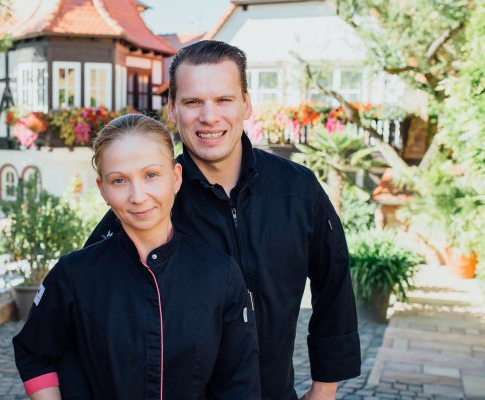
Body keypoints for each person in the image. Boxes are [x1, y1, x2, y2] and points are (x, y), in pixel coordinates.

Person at [80, 41, 361, 399]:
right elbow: (87, 309)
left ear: (246, 104)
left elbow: (334, 283)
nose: (209, 117)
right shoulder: (150, 200)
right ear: (172, 109)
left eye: (224, 100)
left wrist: (324, 388)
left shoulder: (298, 189)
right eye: (193, 102)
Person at [13, 114, 261, 400]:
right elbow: (34, 353)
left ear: (176, 177)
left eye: (151, 175)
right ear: (103, 190)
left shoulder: (220, 275)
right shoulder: (74, 275)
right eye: (119, 180)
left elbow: (238, 385)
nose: (138, 196)